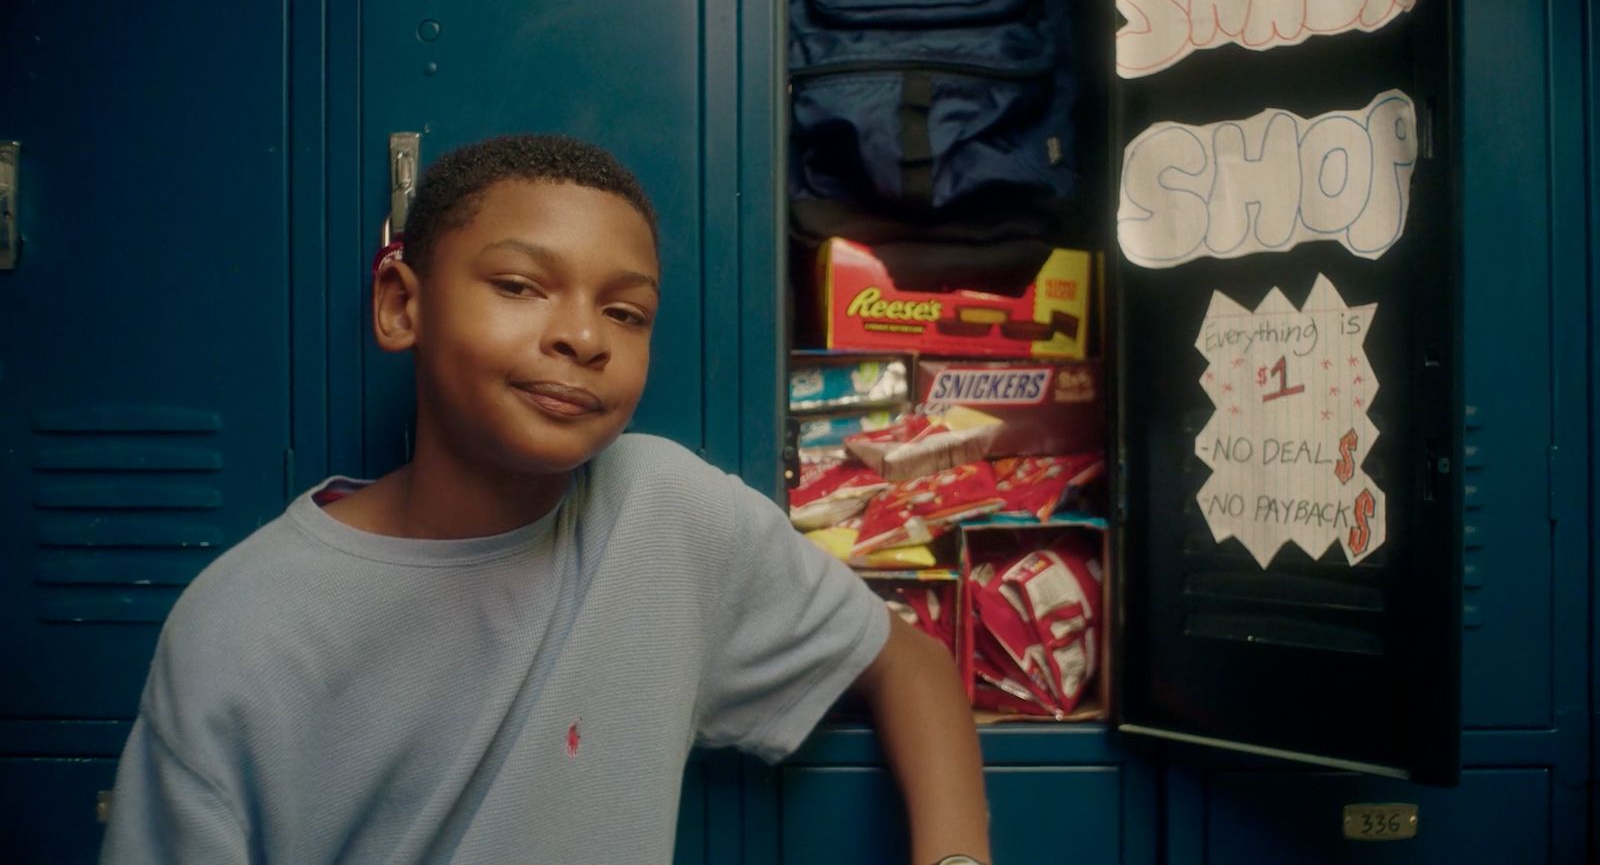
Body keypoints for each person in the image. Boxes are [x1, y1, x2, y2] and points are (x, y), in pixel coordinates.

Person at [100, 134, 991, 864]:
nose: (580, 336)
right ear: (400, 306)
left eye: (626, 313)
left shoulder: (664, 510)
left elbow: (908, 664)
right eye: (520, 287)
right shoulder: (242, 623)